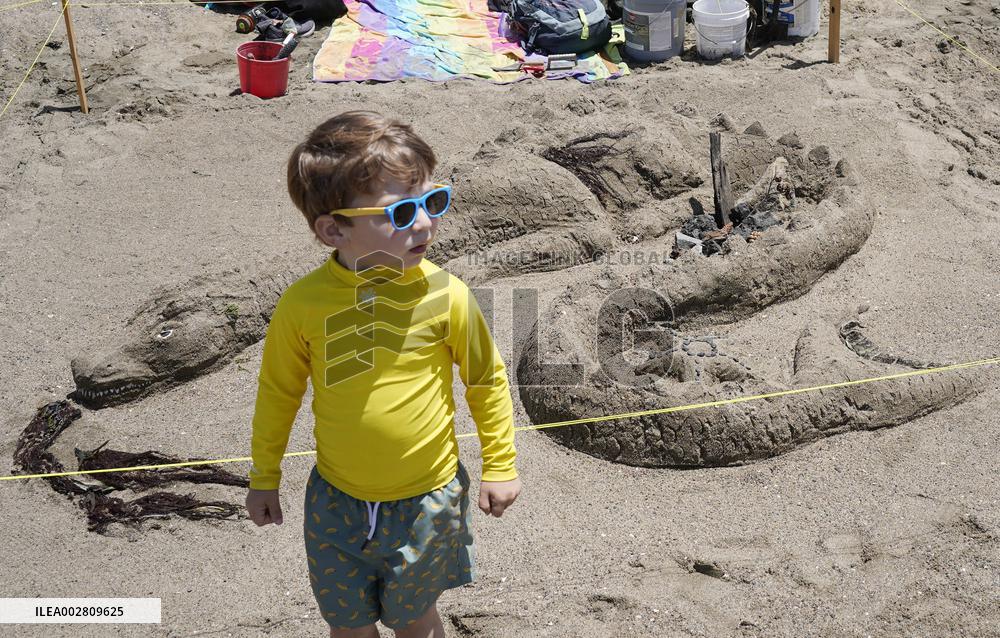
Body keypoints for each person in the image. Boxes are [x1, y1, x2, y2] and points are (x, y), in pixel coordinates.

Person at [245, 111, 522, 638]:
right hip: (335, 503)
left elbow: (486, 381)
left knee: (415, 621)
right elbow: (279, 392)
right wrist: (264, 477)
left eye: (431, 201)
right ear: (333, 229)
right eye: (398, 212)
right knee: (347, 625)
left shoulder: (448, 296)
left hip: (426, 500)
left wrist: (500, 466)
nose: (423, 223)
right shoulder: (303, 305)